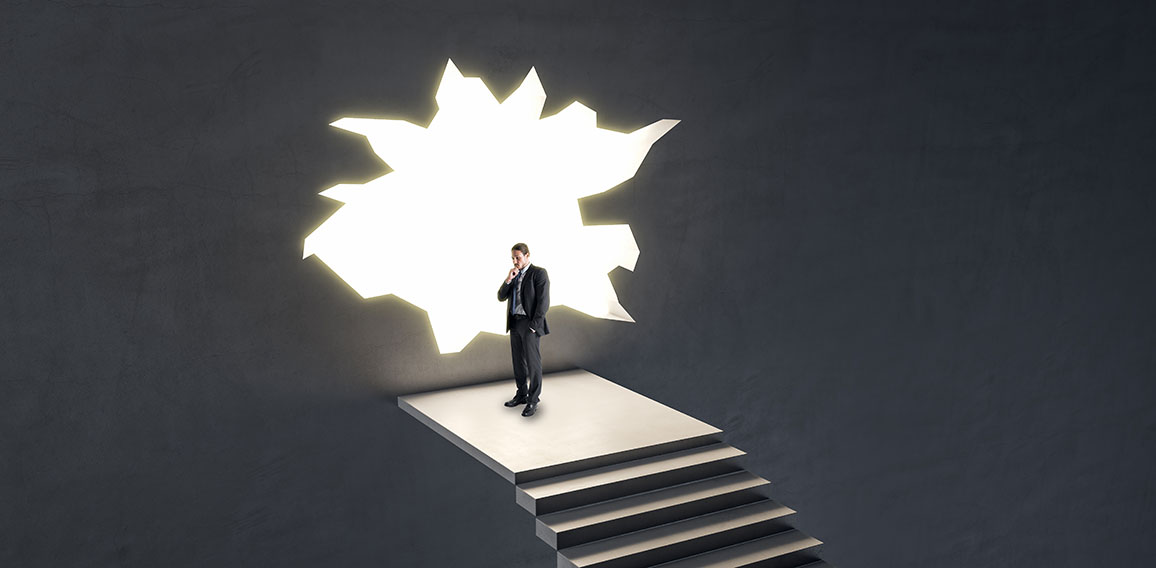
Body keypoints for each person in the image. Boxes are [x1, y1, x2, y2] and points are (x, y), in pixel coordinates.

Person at [497, 243, 550, 417]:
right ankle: (521, 394)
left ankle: (533, 400)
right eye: (513, 258)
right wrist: (508, 279)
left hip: (529, 325)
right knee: (518, 362)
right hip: (514, 323)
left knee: (533, 364)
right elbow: (501, 296)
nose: (515, 261)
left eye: (518, 257)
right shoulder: (514, 274)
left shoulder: (538, 273)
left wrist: (534, 326)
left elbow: (543, 302)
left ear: (527, 256)